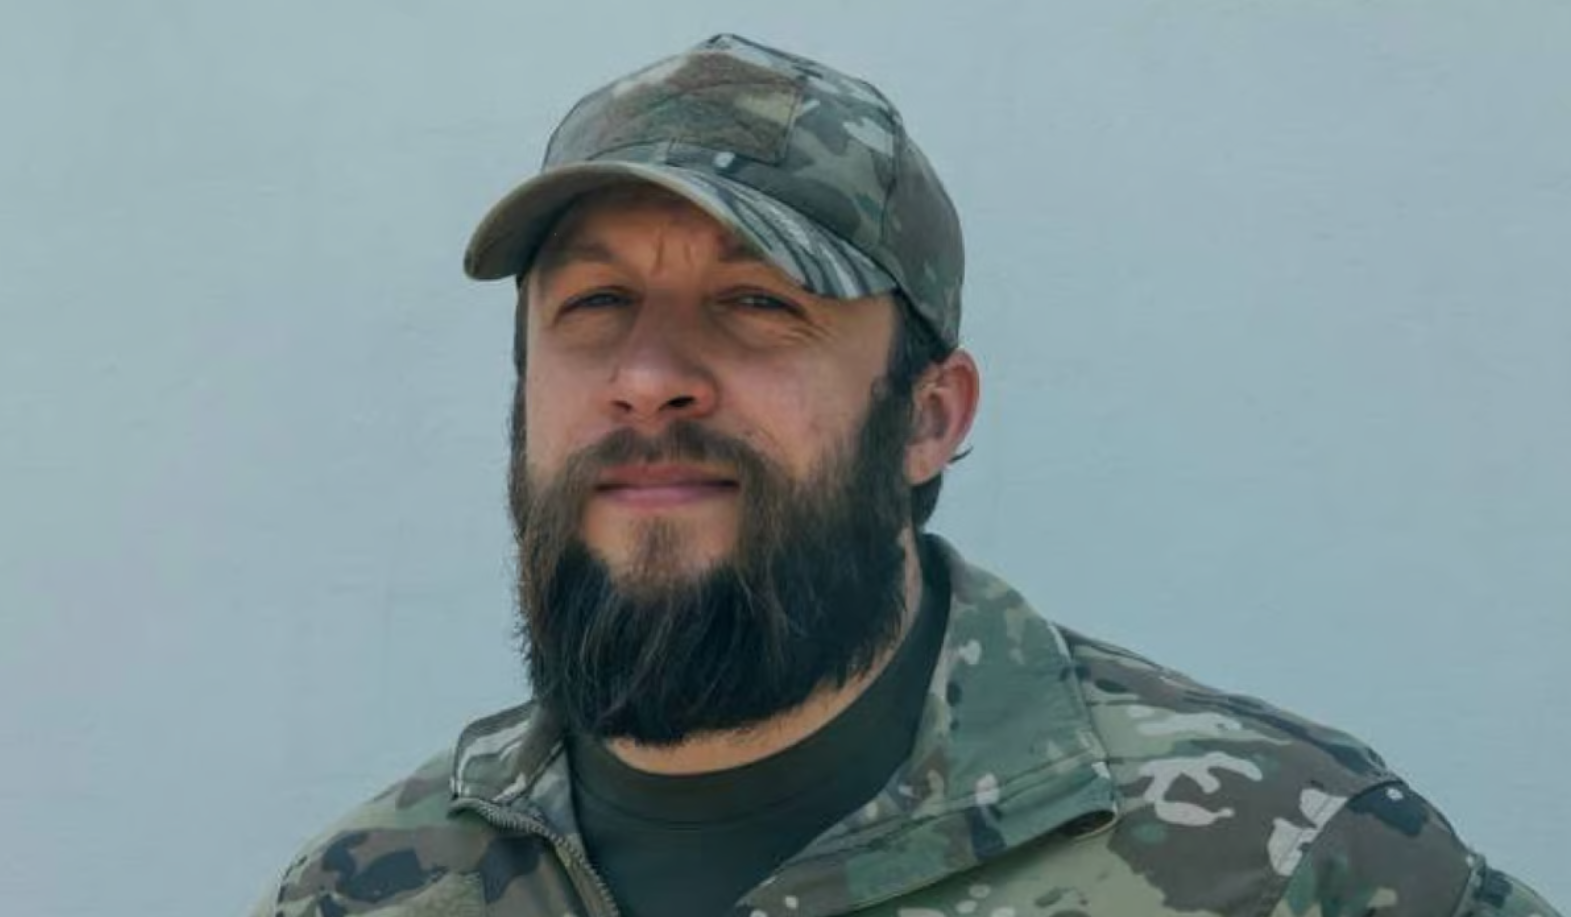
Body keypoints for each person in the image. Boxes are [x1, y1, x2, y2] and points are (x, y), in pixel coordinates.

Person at [251, 34, 1557, 917]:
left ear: (927, 417)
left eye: (757, 304)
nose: (647, 377)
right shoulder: (363, 887)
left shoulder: (1286, 858)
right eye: (592, 306)